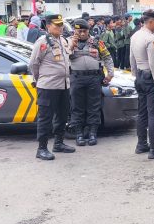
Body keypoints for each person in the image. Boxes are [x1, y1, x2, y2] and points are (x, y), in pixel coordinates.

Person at [30, 13, 75, 161]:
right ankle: (41, 148)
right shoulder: (42, 42)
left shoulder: (62, 40)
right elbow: (34, 64)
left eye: (61, 25)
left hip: (63, 85)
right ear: (48, 26)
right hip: (48, 86)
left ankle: (59, 143)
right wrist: (40, 79)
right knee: (45, 118)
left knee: (62, 116)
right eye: (57, 25)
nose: (60, 28)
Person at [67, 19, 114, 147]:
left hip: (94, 78)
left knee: (94, 106)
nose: (82, 33)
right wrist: (72, 45)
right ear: (75, 31)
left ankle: (93, 133)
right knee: (77, 107)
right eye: (79, 31)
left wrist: (110, 73)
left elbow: (107, 57)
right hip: (76, 78)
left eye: (84, 31)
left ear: (89, 30)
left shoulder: (96, 42)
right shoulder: (67, 42)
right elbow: (63, 59)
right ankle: (79, 134)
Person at [130, 10, 154, 159]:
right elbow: (153, 63)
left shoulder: (135, 36)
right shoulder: (150, 38)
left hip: (139, 75)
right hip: (150, 78)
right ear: (151, 22)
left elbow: (131, 58)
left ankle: (141, 144)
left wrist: (136, 75)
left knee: (142, 112)